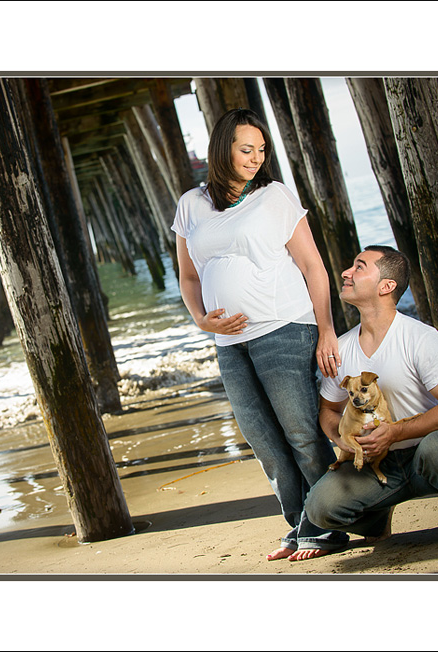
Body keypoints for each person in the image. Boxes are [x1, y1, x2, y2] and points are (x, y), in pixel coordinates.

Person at [172, 108, 348, 561]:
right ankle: (300, 522)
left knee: (301, 432)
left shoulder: (275, 197)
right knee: (261, 439)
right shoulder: (191, 205)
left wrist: (327, 330)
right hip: (229, 342)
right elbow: (189, 277)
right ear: (222, 150)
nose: (255, 158)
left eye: (261, 149)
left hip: (285, 326)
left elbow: (313, 266)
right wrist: (199, 318)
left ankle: (328, 523)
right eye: (245, 149)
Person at [306, 245, 438, 544]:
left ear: (387, 286)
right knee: (320, 510)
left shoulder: (421, 339)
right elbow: (329, 410)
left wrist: (393, 433)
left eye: (359, 267)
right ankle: (376, 520)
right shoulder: (342, 349)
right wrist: (344, 439)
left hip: (427, 453)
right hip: (377, 464)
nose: (346, 272)